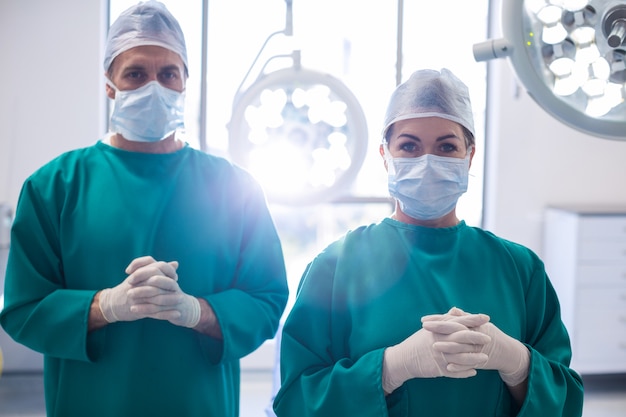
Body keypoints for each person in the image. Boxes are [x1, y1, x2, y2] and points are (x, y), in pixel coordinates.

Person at [0, 2, 288, 416]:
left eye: (168, 73)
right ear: (109, 84)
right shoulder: (54, 187)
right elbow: (23, 309)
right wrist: (107, 306)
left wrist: (197, 311)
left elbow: (268, 299)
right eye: (135, 73)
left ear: (186, 81)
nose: (153, 86)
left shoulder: (233, 188)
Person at [272, 68, 584, 417]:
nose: (427, 162)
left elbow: (567, 401)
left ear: (469, 156)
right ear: (384, 156)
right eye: (409, 146)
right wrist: (389, 369)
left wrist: (517, 363)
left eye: (446, 147)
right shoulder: (335, 267)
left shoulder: (520, 269)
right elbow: (296, 400)